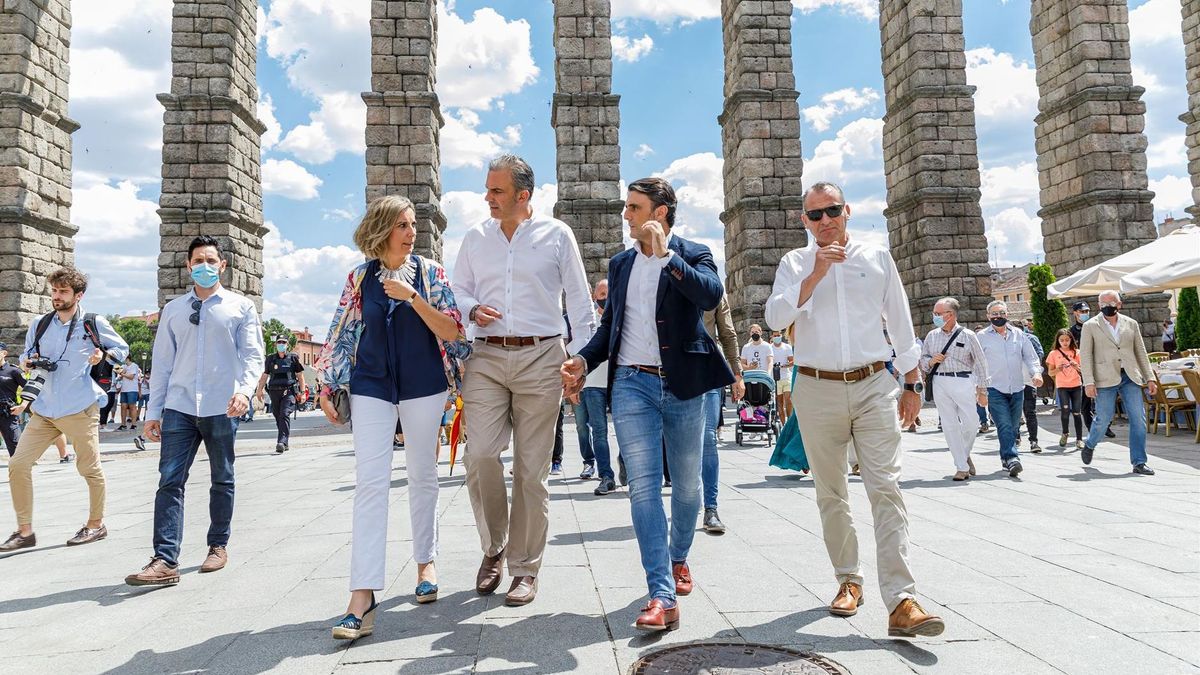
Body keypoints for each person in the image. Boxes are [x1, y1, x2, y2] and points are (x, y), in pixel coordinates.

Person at [765, 181, 944, 639]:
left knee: (886, 487)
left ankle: (902, 599)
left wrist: (911, 382)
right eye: (815, 215)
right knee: (831, 491)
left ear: (848, 210)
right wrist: (814, 276)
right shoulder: (794, 262)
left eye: (832, 211)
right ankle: (849, 579)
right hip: (816, 386)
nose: (825, 221)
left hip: (872, 384)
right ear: (804, 221)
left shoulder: (877, 257)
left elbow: (902, 323)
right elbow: (774, 318)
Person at [562, 176, 733, 632]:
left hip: (683, 385)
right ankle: (660, 592)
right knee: (642, 486)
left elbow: (710, 296)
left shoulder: (692, 252)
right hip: (632, 384)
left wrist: (666, 258)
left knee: (688, 485)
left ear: (660, 212)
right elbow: (610, 327)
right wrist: (581, 359)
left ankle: (679, 557)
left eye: (634, 208)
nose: (625, 215)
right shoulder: (619, 265)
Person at [314, 195, 468, 639]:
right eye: (403, 224)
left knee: (423, 474)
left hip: (424, 385)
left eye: (413, 223)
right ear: (382, 230)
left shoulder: (431, 273)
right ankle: (361, 598)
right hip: (371, 386)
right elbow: (339, 335)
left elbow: (453, 330)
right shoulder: (359, 278)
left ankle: (426, 563)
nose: (412, 231)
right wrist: (327, 387)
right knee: (370, 484)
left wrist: (414, 297)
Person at [455, 154, 596, 607]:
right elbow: (457, 290)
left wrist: (582, 361)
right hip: (487, 356)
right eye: (488, 189)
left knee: (533, 472)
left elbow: (578, 298)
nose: (487, 198)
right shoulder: (476, 237)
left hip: (541, 356)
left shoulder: (558, 235)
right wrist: (471, 310)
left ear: (523, 195)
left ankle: (524, 567)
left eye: (496, 191)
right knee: (480, 457)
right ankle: (493, 547)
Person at [123, 236, 264, 586]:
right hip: (180, 406)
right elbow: (162, 364)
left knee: (223, 477)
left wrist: (245, 392)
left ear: (223, 266)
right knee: (169, 481)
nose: (204, 266)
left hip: (222, 405)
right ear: (188, 266)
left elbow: (253, 356)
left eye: (211, 260)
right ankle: (165, 559)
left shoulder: (240, 307)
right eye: (198, 260)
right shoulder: (173, 310)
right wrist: (153, 412)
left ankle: (218, 545)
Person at [1, 266, 129, 552]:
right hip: (44, 409)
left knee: (89, 467)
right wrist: (28, 361)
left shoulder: (94, 323)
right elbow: (25, 355)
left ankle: (96, 524)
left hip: (79, 407)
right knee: (18, 464)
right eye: (54, 291)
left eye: (63, 292)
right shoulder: (41, 323)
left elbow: (122, 349)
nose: (56, 297)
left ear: (79, 295)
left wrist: (103, 354)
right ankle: (25, 531)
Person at [1079, 290, 1157, 475]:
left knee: (1138, 418)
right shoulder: (1090, 326)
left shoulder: (1131, 324)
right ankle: (1090, 443)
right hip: (1105, 377)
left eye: (1111, 303)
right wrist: (1088, 382)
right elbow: (1085, 356)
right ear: (1099, 306)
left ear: (1119, 304)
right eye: (1103, 304)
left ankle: (1139, 462)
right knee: (1104, 418)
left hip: (1130, 376)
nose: (1107, 306)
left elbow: (1140, 351)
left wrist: (1150, 377)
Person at [919, 297, 989, 481]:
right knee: (949, 425)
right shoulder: (932, 336)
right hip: (940, 381)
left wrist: (983, 390)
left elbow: (981, 363)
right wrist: (930, 361)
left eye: (938, 313)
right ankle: (961, 466)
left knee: (972, 422)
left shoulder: (968, 335)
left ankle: (964, 454)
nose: (935, 316)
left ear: (950, 315)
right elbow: (922, 361)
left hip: (963, 379)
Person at [977, 301, 1043, 478]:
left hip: (1017, 387)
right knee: (1004, 424)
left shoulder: (1019, 335)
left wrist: (1036, 373)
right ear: (988, 316)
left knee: (1014, 425)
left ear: (1007, 315)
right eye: (994, 313)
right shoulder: (981, 337)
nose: (998, 316)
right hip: (994, 387)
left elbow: (1031, 357)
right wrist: (980, 389)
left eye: (1001, 313)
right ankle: (1012, 458)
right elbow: (977, 364)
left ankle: (1006, 458)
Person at [701, 293, 745, 533]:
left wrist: (737, 374)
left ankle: (710, 508)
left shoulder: (713, 290)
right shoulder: (662, 274)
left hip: (708, 370)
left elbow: (727, 334)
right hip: (671, 372)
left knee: (708, 438)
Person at [570, 279, 618, 494]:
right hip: (588, 383)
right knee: (591, 429)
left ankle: (619, 467)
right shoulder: (585, 321)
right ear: (594, 296)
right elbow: (574, 350)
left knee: (615, 430)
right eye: (601, 293)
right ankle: (603, 473)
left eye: (608, 293)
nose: (605, 297)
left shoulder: (619, 317)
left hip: (613, 381)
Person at [1070, 301, 1113, 439]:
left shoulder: (1097, 327)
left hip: (1100, 366)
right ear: (1075, 313)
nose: (1085, 314)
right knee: (1086, 402)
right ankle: (1091, 429)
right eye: (1082, 311)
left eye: (1087, 311)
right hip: (1082, 370)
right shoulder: (1072, 332)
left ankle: (1106, 426)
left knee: (1104, 398)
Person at [256, 335, 306, 454]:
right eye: (279, 342)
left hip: (288, 391)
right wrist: (259, 389)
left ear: (287, 344)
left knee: (284, 414)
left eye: (284, 342)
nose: (281, 344)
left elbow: (300, 376)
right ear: (275, 344)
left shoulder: (293, 358)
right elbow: (264, 375)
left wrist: (303, 393)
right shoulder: (270, 359)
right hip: (274, 391)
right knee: (278, 415)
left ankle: (281, 442)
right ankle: (285, 442)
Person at [1045, 328, 1084, 449]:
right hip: (1062, 386)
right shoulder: (1054, 354)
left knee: (1077, 412)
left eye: (1067, 340)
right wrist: (1059, 369)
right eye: (1062, 340)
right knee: (1065, 411)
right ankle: (1065, 433)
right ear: (1058, 341)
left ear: (1071, 340)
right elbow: (1051, 373)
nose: (1065, 342)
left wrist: (1076, 366)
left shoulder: (1077, 352)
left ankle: (1079, 439)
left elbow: (1083, 370)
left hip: (1076, 385)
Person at [1015, 319, 1044, 453]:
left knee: (1030, 412)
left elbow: (1038, 355)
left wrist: (1036, 373)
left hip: (1028, 381)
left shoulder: (1030, 339)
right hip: (1012, 382)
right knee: (1014, 413)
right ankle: (1016, 438)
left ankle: (1033, 441)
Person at [0, 342, 26, 456]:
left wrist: (23, 405)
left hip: (7, 413)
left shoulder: (13, 371)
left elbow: (31, 388)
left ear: (4, 353)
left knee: (15, 446)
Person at [770, 330, 794, 419]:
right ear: (772, 336)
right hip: (775, 378)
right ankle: (782, 425)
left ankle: (789, 421)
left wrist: (785, 365)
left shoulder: (787, 347)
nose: (777, 337)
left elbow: (792, 361)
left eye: (778, 335)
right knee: (779, 403)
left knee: (788, 401)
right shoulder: (769, 348)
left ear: (781, 335)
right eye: (775, 335)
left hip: (786, 377)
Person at [114, 356, 143, 432]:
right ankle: (123, 425)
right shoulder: (123, 366)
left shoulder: (134, 366)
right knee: (123, 406)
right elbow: (116, 369)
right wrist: (121, 373)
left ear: (127, 358)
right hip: (124, 390)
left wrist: (122, 374)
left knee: (132, 406)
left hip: (132, 389)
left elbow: (131, 377)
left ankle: (134, 424)